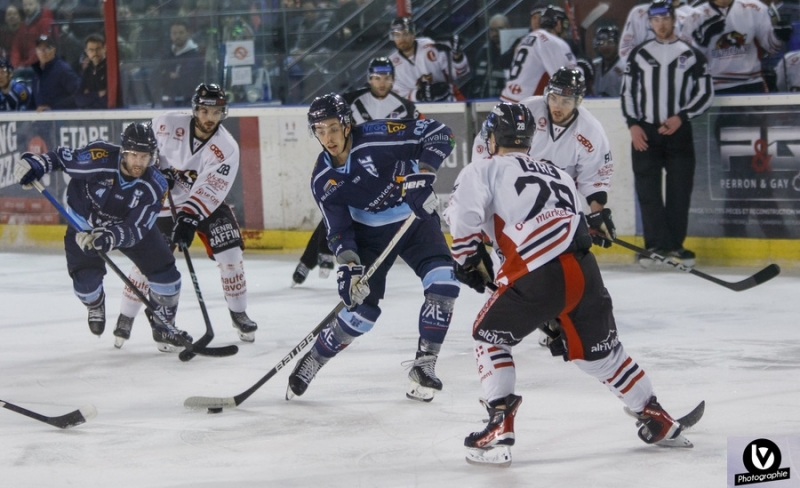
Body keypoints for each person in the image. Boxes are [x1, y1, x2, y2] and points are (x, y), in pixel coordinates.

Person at [446, 102, 695, 467]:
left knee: (488, 336)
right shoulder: (557, 172)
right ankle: (655, 417)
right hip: (584, 271)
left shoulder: (481, 169)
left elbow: (464, 223)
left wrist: (467, 260)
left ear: (492, 136)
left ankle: (499, 423)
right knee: (603, 356)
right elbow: (575, 227)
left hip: (538, 275)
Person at [286, 93, 461, 403]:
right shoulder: (323, 179)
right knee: (362, 314)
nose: (327, 137)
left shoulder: (379, 137)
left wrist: (424, 175)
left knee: (444, 282)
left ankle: (424, 365)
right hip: (369, 234)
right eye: (320, 130)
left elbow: (441, 134)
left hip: (413, 218)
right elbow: (338, 231)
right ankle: (316, 357)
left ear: (347, 124)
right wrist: (349, 268)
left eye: (332, 127)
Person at [12, 122, 193, 352]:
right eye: (134, 155)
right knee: (86, 288)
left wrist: (109, 237)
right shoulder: (99, 158)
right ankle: (95, 303)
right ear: (123, 151)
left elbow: (137, 228)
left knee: (168, 279)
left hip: (122, 229)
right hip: (84, 226)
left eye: (145, 156)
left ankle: (163, 326)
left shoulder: (155, 185)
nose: (139, 162)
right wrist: (35, 163)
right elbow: (60, 158)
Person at [472, 67, 613, 346]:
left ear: (579, 102)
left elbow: (595, 178)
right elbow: (486, 144)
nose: (558, 106)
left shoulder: (591, 132)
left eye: (566, 101)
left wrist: (598, 213)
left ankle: (557, 315)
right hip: (515, 201)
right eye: (554, 98)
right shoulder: (526, 110)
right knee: (509, 258)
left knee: (561, 260)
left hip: (557, 206)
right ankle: (525, 313)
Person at [115, 83, 260, 344]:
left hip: (204, 204)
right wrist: (156, 174)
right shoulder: (166, 124)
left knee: (231, 252)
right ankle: (126, 316)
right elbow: (139, 149)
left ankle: (239, 313)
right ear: (195, 110)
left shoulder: (227, 147)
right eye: (204, 111)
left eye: (215, 113)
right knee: (147, 263)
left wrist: (189, 217)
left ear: (223, 114)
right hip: (163, 203)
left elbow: (213, 186)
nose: (209, 119)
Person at [291, 57, 421, 286]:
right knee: (332, 212)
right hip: (348, 167)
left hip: (381, 172)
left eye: (387, 78)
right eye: (376, 78)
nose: (381, 83)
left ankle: (321, 257)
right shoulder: (349, 101)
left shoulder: (406, 107)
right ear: (369, 78)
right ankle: (310, 259)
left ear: (393, 79)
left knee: (345, 215)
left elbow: (410, 140)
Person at [621, 0, 714, 267]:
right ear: (650, 23)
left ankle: (675, 247)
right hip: (645, 133)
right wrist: (633, 124)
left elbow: (705, 93)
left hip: (679, 132)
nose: (660, 24)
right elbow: (627, 93)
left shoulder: (692, 54)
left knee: (679, 191)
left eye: (665, 19)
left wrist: (682, 117)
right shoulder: (638, 54)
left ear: (674, 19)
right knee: (648, 191)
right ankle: (654, 247)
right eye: (655, 20)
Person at [691, 0, 791, 94]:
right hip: (712, 85)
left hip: (751, 82)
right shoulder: (695, 14)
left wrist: (778, 36)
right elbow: (691, 57)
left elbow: (772, 48)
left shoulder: (755, 8)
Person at [499, 5, 577, 102]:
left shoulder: (527, 38)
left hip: (507, 98)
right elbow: (567, 78)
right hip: (524, 104)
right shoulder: (553, 42)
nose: (565, 31)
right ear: (558, 24)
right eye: (565, 25)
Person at [388, 16, 470, 102]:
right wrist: (419, 95)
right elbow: (399, 96)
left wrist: (457, 56)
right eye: (397, 35)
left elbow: (460, 73)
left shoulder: (431, 47)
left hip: (449, 101)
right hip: (417, 110)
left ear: (413, 34)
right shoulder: (391, 64)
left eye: (405, 34)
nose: (402, 39)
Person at [618, 0, 697, 60]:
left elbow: (693, 54)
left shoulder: (690, 16)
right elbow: (626, 50)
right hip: (644, 77)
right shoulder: (639, 14)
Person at [159, 20, 205, 107]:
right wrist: (169, 75)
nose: (177, 36)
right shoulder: (167, 55)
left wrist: (167, 75)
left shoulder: (195, 55)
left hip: (188, 101)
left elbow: (188, 78)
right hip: (168, 101)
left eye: (181, 33)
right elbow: (157, 76)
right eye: (174, 33)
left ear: (188, 33)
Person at [31, 34, 79, 111]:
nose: (43, 52)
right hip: (41, 119)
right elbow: (34, 97)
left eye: (46, 49)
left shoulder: (63, 69)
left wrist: (53, 109)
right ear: (36, 51)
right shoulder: (37, 71)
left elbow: (78, 94)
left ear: (53, 50)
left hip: (60, 118)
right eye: (40, 49)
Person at [468, 13, 509, 99]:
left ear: (508, 28)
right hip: (481, 103)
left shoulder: (515, 52)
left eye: (499, 29)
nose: (495, 33)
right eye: (492, 30)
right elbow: (474, 80)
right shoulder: (483, 52)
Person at [10, 0, 52, 68]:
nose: (27, 8)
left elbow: (43, 48)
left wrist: (24, 65)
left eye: (30, 4)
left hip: (41, 65)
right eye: (25, 5)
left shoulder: (45, 21)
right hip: (26, 65)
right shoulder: (24, 25)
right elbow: (16, 48)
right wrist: (15, 65)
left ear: (38, 5)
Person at [75, 33, 107, 109]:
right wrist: (98, 94)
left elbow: (106, 100)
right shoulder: (87, 71)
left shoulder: (110, 69)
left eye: (98, 49)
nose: (95, 53)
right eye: (91, 50)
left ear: (104, 49)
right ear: (86, 51)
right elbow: (78, 99)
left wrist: (88, 96)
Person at [591, 25, 624, 97]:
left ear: (617, 44)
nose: (605, 47)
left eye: (610, 42)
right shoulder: (595, 65)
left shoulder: (625, 66)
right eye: (601, 43)